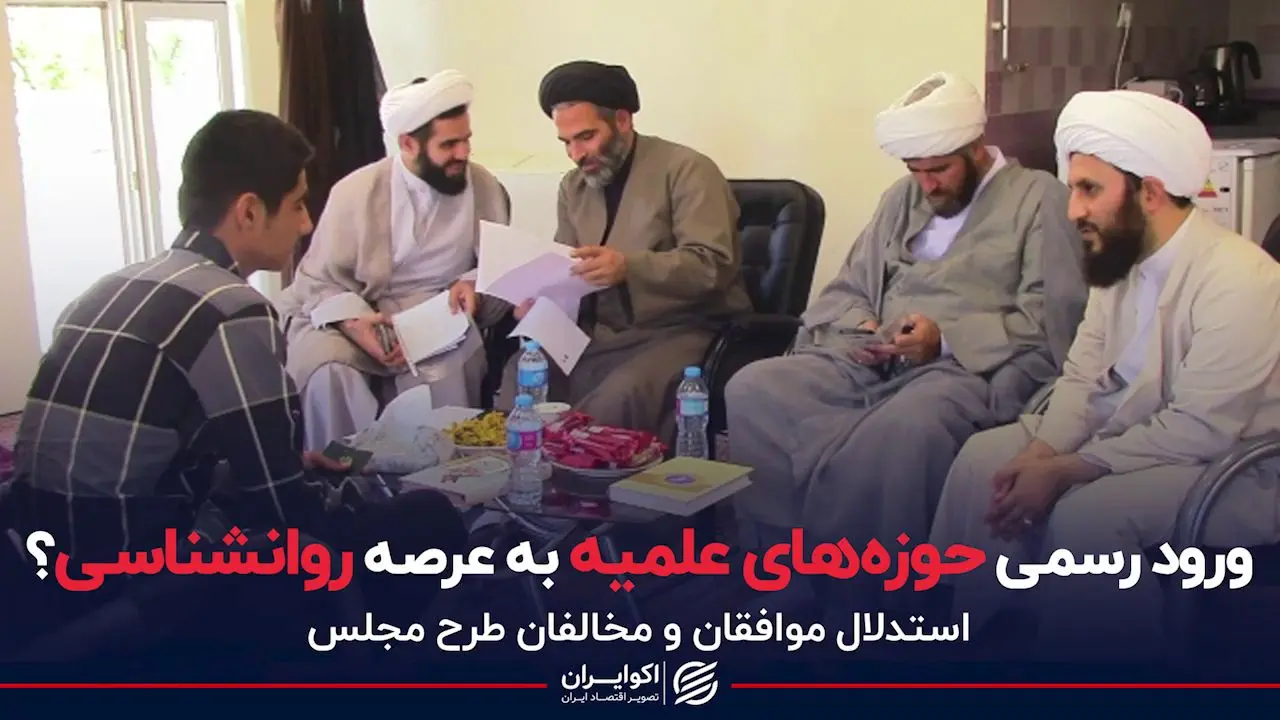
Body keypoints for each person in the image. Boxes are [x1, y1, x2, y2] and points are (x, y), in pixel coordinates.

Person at [0, 109, 467, 666]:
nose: (306, 225)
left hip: (43, 571)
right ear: (249, 211)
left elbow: (152, 453)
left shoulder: (108, 287)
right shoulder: (233, 309)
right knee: (425, 518)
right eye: (297, 205)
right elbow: (282, 509)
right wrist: (326, 495)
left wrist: (277, 468)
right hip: (148, 593)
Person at [929, 90, 1280, 660]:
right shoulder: (1119, 259)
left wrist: (1064, 469)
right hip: (1129, 434)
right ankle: (994, 641)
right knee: (984, 463)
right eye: (1074, 189)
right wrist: (1039, 453)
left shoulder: (1239, 278)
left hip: (1232, 467)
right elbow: (1082, 377)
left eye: (1089, 190)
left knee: (1089, 515)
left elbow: (1201, 429)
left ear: (1150, 192)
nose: (1073, 210)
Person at [724, 72, 1088, 608]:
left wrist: (943, 340)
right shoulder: (902, 197)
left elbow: (1051, 318)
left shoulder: (1040, 200)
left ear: (975, 148)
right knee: (755, 388)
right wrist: (865, 326)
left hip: (968, 368)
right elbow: (851, 285)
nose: (927, 185)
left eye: (939, 170)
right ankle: (785, 564)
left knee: (904, 429)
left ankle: (870, 595)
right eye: (915, 171)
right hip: (874, 356)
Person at [497, 60, 751, 439]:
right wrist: (540, 299)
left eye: (586, 137)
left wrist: (629, 268)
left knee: (617, 401)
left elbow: (712, 265)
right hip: (598, 334)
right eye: (566, 142)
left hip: (681, 330)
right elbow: (565, 267)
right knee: (521, 377)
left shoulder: (687, 170)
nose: (576, 154)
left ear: (622, 120)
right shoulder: (573, 187)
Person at [276, 70, 512, 450]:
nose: (463, 153)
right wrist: (355, 324)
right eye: (449, 144)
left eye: (466, 140)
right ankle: (347, 475)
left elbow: (498, 268)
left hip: (435, 315)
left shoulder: (483, 187)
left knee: (444, 372)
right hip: (347, 313)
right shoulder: (356, 191)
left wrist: (473, 285)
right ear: (408, 144)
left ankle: (437, 478)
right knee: (329, 372)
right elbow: (318, 280)